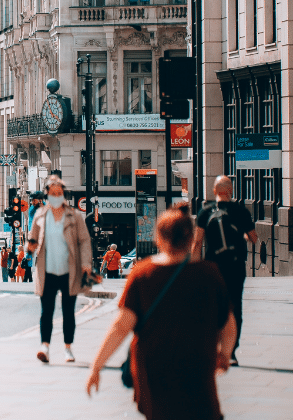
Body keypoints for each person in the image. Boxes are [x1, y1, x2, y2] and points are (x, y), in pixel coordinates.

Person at [86, 204, 234, 420]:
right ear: (191, 239)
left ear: (159, 239)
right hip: (198, 365)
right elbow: (228, 325)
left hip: (153, 369)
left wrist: (96, 366)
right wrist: (225, 354)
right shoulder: (209, 274)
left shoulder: (143, 274)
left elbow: (121, 327)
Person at [27, 175, 92, 364]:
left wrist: (86, 262)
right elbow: (33, 238)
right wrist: (28, 250)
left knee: (68, 311)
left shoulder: (75, 216)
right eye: (53, 193)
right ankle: (44, 347)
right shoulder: (40, 215)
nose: (56, 196)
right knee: (46, 311)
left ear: (63, 194)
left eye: (59, 193)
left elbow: (84, 240)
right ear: (47, 195)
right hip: (46, 271)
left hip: (68, 271)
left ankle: (68, 348)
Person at [194, 174, 256, 366]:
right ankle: (231, 353)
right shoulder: (241, 211)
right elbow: (253, 238)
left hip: (212, 267)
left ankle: (214, 348)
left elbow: (197, 242)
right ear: (230, 191)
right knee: (235, 306)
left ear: (214, 191)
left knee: (212, 305)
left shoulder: (205, 212)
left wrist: (194, 269)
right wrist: (243, 238)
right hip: (235, 266)